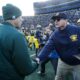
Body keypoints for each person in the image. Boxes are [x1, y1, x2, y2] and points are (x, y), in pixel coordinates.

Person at [36, 12, 80, 80]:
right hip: (63, 62)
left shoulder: (76, 29)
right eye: (54, 20)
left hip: (77, 64)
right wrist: (39, 58)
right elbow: (48, 47)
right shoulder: (55, 34)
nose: (56, 21)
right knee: (58, 78)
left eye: (58, 19)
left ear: (66, 20)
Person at [0, 4, 38, 80]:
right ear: (14, 17)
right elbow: (26, 69)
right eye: (20, 17)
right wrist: (36, 62)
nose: (22, 19)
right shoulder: (17, 35)